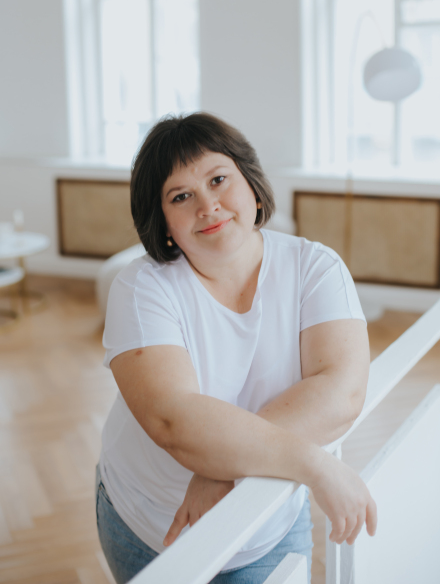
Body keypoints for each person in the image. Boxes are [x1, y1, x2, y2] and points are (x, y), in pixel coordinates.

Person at [95, 112, 377, 584]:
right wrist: (315, 464)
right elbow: (174, 420)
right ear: (164, 222)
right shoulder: (141, 287)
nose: (208, 206)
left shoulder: (315, 267)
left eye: (218, 180)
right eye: (180, 196)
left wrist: (220, 468)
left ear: (251, 185)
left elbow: (342, 393)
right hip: (151, 526)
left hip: (268, 523)